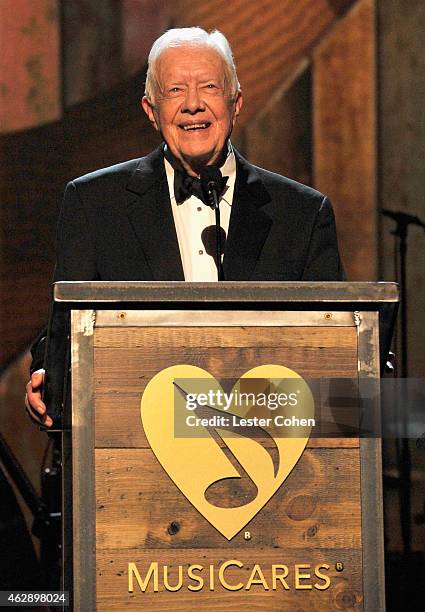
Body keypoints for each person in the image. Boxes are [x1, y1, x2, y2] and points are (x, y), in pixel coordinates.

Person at [25, 27, 345, 428]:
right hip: (132, 439)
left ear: (236, 102)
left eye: (208, 86)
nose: (193, 105)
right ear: (150, 110)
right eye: (175, 90)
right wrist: (46, 371)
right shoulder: (94, 203)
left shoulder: (302, 213)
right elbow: (66, 326)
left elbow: (336, 347)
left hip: (271, 442)